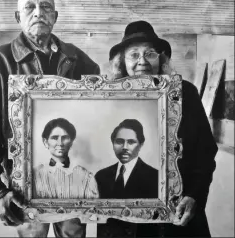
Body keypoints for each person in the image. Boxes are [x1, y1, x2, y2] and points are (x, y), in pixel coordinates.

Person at [0, 0, 100, 238]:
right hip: (23, 183)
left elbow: (97, 121)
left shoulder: (81, 61)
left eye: (46, 7)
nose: (39, 12)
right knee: (32, 235)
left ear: (55, 17)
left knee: (72, 234)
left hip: (73, 178)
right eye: (30, 7)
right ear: (18, 16)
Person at [98, 20, 218, 237]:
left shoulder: (185, 93)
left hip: (177, 215)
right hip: (122, 222)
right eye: (133, 54)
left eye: (150, 53)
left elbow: (205, 151)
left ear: (160, 59)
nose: (142, 61)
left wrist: (195, 195)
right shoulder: (107, 98)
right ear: (122, 62)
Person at [95, 119, 159, 237]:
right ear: (113, 144)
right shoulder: (101, 176)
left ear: (140, 145)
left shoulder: (156, 177)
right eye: (119, 141)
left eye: (131, 142)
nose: (124, 147)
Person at [34, 118, 99, 200]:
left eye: (65, 138)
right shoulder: (34, 176)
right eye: (54, 138)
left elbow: (93, 209)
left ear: (71, 142)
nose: (60, 143)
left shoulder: (85, 177)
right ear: (45, 142)